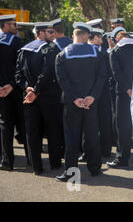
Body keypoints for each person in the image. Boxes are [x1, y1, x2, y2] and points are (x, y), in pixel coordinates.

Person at [54, 22, 106, 181]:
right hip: (91, 102)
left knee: (71, 137)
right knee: (92, 135)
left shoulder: (61, 55)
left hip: (72, 103)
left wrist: (75, 98)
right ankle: (95, 168)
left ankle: (70, 172)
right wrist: (92, 97)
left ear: (74, 35)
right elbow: (101, 76)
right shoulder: (98, 53)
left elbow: (62, 80)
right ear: (86, 36)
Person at [15, 22, 64, 175]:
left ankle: (36, 166)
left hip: (29, 97)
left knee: (32, 131)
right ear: (40, 33)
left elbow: (18, 75)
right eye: (49, 32)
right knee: (53, 130)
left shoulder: (23, 50)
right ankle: (55, 163)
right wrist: (35, 90)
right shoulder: (50, 49)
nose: (52, 34)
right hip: (47, 96)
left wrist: (27, 88)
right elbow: (48, 72)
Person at [107, 27, 133, 168]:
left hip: (123, 93)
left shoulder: (115, 51)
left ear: (116, 39)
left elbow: (117, 73)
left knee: (123, 126)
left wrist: (127, 89)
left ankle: (122, 157)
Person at [0, 14, 25, 171]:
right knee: (23, 123)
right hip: (14, 90)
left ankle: (6, 161)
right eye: (13, 24)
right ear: (5, 25)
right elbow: (21, 67)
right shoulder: (17, 42)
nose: (16, 27)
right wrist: (11, 85)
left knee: (4, 125)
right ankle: (32, 159)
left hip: (1, 91)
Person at [88, 28, 113, 158]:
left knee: (92, 122)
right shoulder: (103, 53)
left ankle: (90, 152)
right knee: (102, 122)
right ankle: (104, 151)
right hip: (101, 91)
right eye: (100, 36)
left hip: (91, 91)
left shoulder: (90, 52)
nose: (102, 39)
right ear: (95, 37)